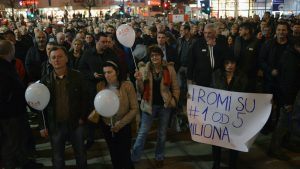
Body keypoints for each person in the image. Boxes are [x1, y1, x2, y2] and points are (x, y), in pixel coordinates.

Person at [131, 45, 180, 168]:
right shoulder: (144, 69)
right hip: (149, 104)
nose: (154, 57)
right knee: (143, 132)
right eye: (152, 55)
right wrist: (138, 80)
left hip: (165, 105)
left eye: (157, 55)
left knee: (162, 133)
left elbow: (175, 87)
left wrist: (174, 100)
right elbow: (141, 90)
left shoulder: (169, 69)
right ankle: (134, 157)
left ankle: (159, 156)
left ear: (161, 56)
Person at [40, 46, 88, 169]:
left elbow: (86, 98)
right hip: (55, 125)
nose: (57, 60)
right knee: (57, 157)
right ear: (50, 61)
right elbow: (41, 106)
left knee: (81, 154)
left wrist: (82, 117)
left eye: (60, 56)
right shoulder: (45, 81)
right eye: (53, 57)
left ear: (66, 58)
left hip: (76, 123)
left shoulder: (78, 76)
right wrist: (43, 125)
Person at [96, 60, 139, 169]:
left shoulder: (127, 85)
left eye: (110, 72)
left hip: (123, 126)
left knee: (125, 156)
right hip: (107, 126)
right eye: (105, 73)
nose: (107, 75)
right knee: (113, 155)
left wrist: (120, 124)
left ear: (117, 72)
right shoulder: (100, 86)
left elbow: (134, 108)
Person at [210, 51, 248, 169]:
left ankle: (233, 164)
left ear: (236, 64)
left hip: (235, 115)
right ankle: (216, 163)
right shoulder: (216, 74)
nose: (230, 65)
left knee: (234, 140)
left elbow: (247, 94)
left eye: (232, 63)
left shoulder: (242, 76)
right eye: (227, 63)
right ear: (223, 64)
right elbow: (210, 91)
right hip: (219, 113)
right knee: (216, 140)